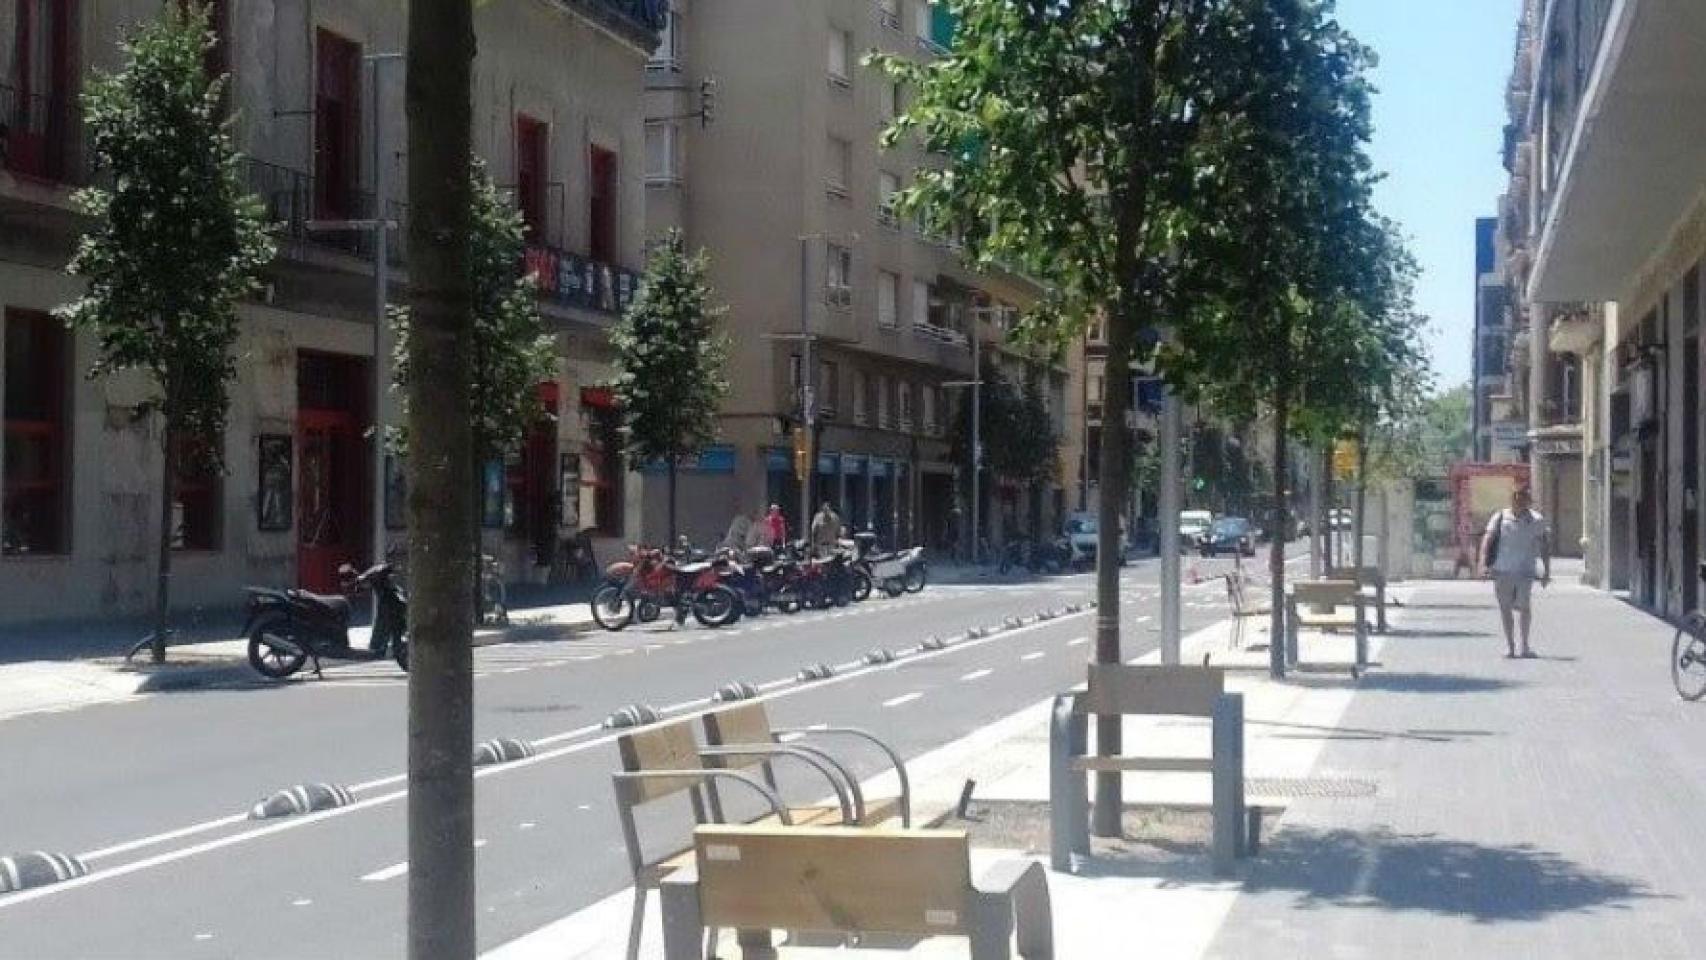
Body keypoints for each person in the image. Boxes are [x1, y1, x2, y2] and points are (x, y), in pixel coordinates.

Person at [1479, 485, 1551, 659]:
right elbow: (1487, 541)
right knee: (1505, 609)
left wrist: (1546, 571)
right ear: (1512, 499)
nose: (1520, 501)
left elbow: (1544, 546)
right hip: (1502, 570)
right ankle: (1510, 645)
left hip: (1525, 570)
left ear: (1528, 501)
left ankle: (1525, 645)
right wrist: (1482, 564)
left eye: (1524, 498)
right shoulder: (1500, 517)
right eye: (1517, 498)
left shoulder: (1536, 520)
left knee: (1524, 607)